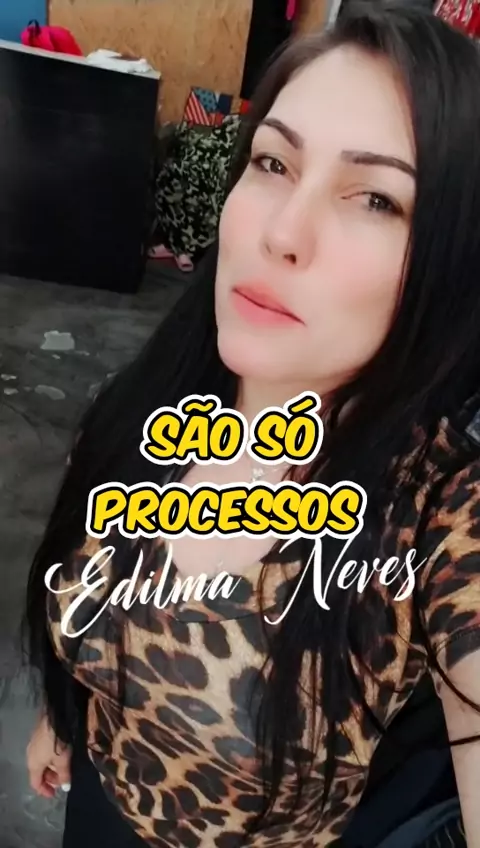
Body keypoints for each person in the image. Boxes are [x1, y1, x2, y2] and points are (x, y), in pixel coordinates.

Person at [23, 2, 480, 846]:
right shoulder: (146, 405)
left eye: (376, 199)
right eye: (273, 162)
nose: (281, 232)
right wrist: (68, 711)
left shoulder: (442, 511)